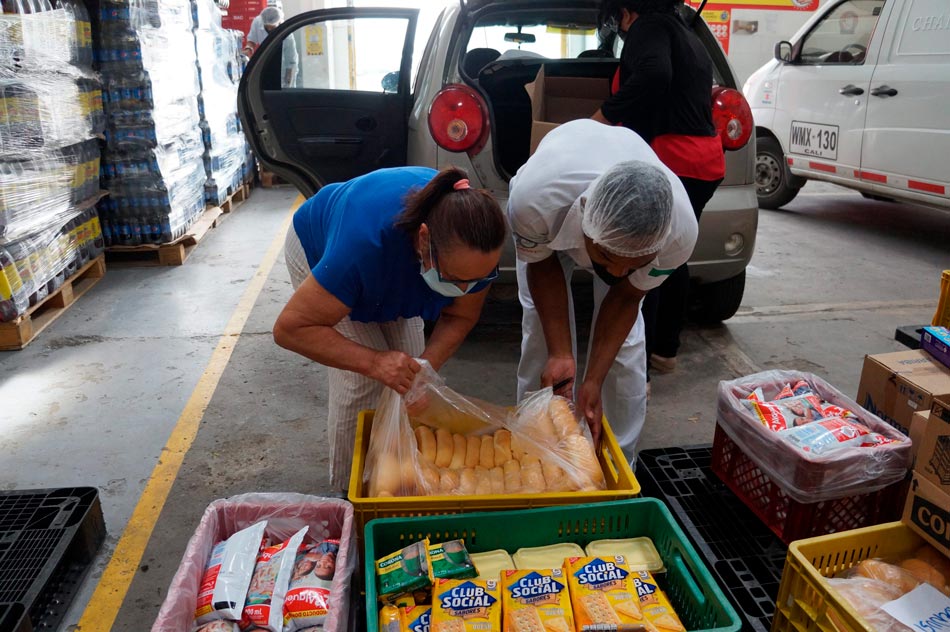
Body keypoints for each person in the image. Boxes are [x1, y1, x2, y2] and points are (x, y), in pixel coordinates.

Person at [276, 166, 506, 490]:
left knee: (409, 378)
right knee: (361, 382)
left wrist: (426, 368)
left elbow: (460, 316)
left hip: (394, 263)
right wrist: (373, 362)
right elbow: (292, 328)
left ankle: (398, 478)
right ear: (423, 239)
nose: (466, 290)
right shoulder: (362, 249)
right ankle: (350, 494)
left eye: (476, 281)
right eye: (456, 280)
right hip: (318, 243)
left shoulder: (475, 248)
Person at [508, 119, 697, 461]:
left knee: (625, 348)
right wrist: (561, 354)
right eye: (607, 257)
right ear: (583, 220)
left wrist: (593, 379)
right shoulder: (534, 203)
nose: (617, 273)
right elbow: (542, 264)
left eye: (634, 263)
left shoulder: (680, 234)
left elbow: (626, 295)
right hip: (559, 180)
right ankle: (534, 447)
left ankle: (619, 456)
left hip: (626, 161)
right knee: (541, 336)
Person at [592, 0, 725, 376]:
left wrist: (602, 117)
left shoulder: (648, 28)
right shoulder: (687, 33)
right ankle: (665, 350)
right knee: (673, 257)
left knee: (643, 259)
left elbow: (653, 76)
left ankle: (639, 370)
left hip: (673, 159)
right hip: (704, 162)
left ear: (625, 10)